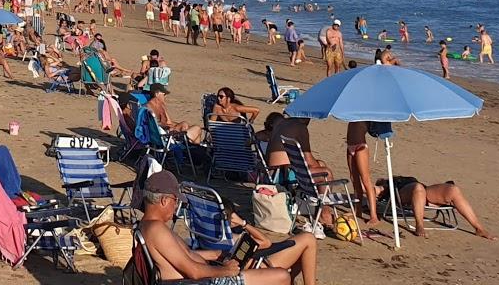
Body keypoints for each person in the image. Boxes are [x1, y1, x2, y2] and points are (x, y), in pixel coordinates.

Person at [133, 167, 318, 284]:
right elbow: (195, 272)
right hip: (200, 282)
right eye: (175, 201)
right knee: (281, 276)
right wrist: (225, 270)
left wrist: (216, 254)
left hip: (202, 275)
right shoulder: (157, 230)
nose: (176, 208)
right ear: (164, 200)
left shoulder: (150, 226)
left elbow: (187, 256)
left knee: (269, 270)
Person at [375, 175, 495, 239]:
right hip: (404, 193)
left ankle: (479, 228)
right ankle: (419, 225)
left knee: (453, 190)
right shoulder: (386, 187)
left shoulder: (398, 178)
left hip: (424, 191)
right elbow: (369, 189)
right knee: (417, 187)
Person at [344, 122, 379, 223]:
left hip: (361, 147)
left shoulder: (363, 112)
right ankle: (357, 210)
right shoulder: (352, 112)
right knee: (354, 179)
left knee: (366, 180)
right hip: (350, 146)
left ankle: (374, 215)